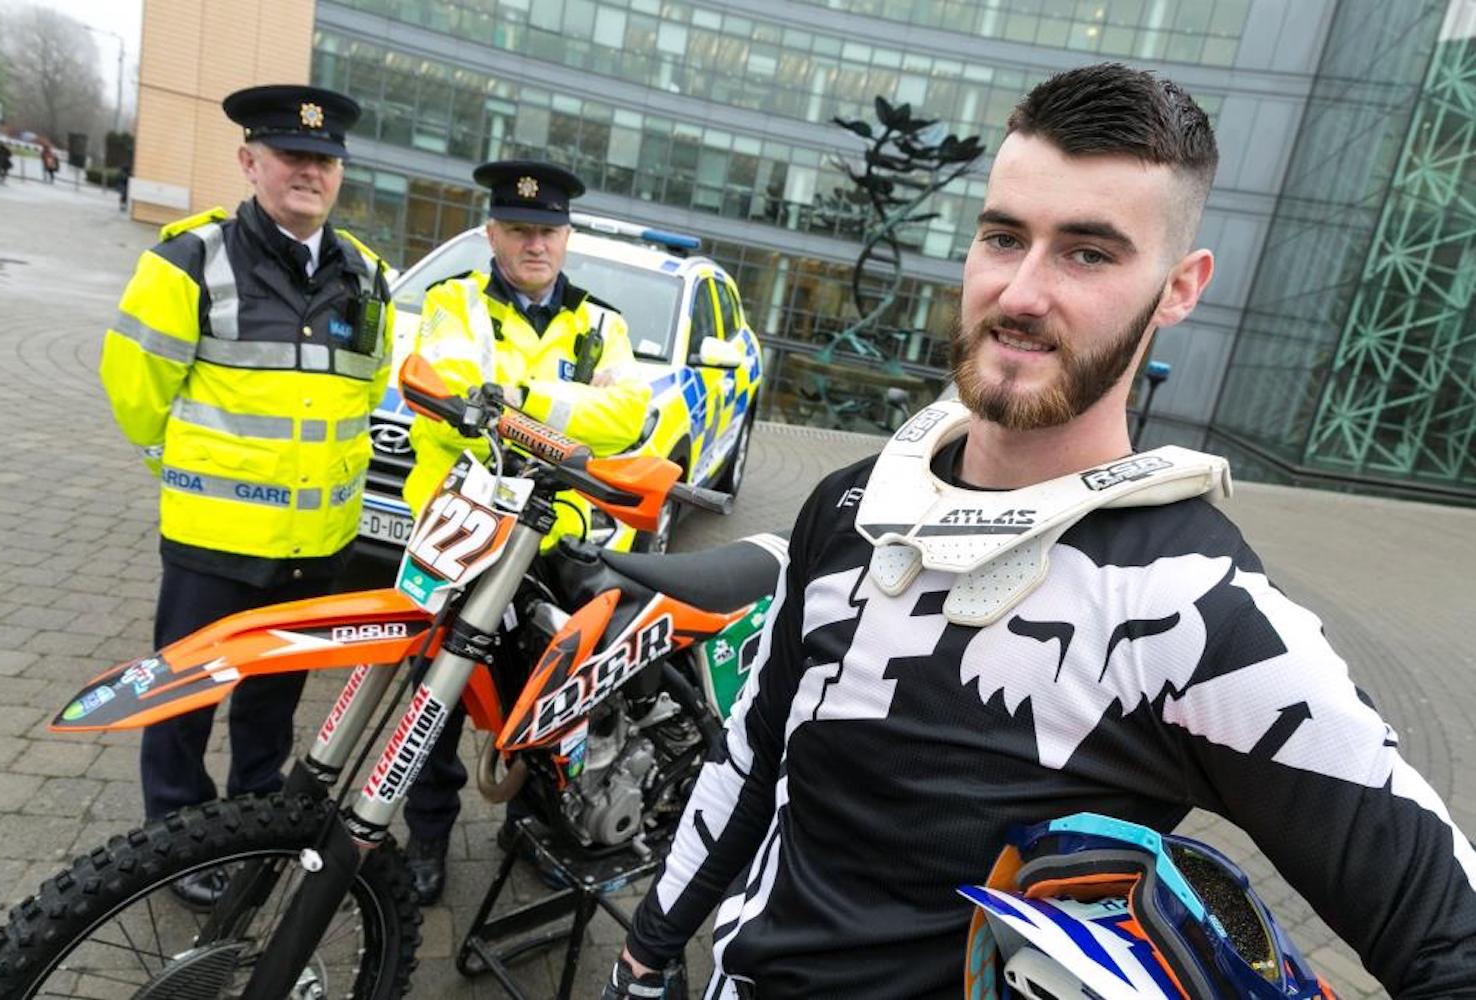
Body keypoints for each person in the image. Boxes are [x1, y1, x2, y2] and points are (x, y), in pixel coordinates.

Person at [604, 63, 1476, 998]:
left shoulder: (1195, 608)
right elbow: (756, 751)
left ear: (1179, 288)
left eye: (1088, 253)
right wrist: (653, 946)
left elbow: (1448, 943)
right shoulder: (851, 505)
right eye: (1003, 237)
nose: (1021, 292)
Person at [98, 84, 394, 908]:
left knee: (271, 708)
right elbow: (134, 393)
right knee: (184, 706)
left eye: (323, 159)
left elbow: (363, 394)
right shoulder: (188, 260)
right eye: (291, 155)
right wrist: (189, 478)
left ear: (339, 174)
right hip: (214, 546)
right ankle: (176, 848)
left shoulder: (366, 277)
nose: (309, 170)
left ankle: (252, 833)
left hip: (318, 549)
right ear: (249, 162)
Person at [399, 159, 650, 905]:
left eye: (547, 231)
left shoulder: (604, 323)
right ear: (492, 233)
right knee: (436, 702)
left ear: (567, 238)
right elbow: (448, 406)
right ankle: (425, 840)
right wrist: (570, 408)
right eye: (518, 230)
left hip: (557, 545)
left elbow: (629, 417)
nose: (533, 244)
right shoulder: (453, 302)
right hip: (467, 533)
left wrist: (511, 397)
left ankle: (530, 830)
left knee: (548, 706)